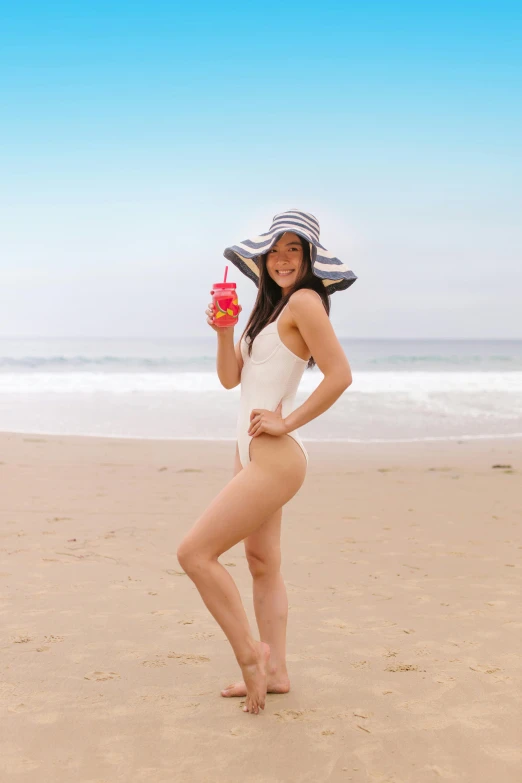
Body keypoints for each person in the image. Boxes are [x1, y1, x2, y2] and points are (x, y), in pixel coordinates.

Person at [176, 209, 357, 714]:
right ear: (262, 258)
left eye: (293, 250)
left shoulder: (304, 302)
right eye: (274, 250)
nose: (281, 259)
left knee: (194, 553)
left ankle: (251, 658)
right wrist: (224, 329)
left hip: (275, 456)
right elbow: (232, 379)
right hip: (247, 451)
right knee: (261, 563)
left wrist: (288, 421)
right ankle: (277, 672)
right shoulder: (268, 312)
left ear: (309, 259)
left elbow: (339, 375)